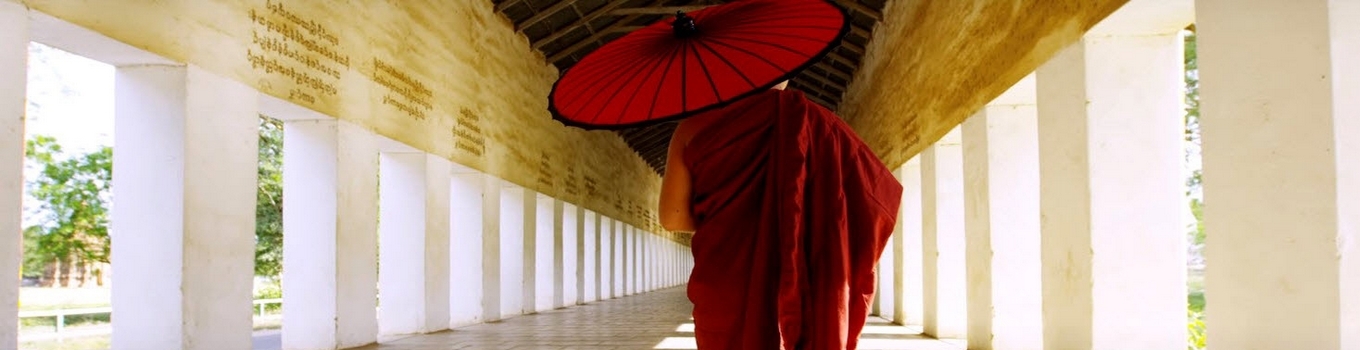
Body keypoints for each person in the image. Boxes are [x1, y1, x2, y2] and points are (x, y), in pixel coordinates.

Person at [659, 80, 904, 349]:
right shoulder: (818, 123)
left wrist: (729, 218)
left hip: (725, 284)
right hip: (806, 274)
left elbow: (671, 217)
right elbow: (871, 201)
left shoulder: (693, 127)